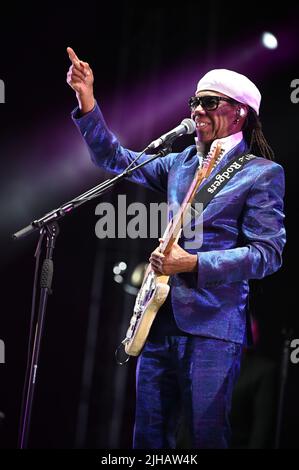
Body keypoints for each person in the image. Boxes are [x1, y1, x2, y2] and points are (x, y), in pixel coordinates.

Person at [66, 47, 286, 449]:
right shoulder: (180, 162)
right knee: (148, 438)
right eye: (194, 101)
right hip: (157, 318)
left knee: (205, 437)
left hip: (213, 327)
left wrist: (192, 262)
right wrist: (87, 100)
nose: (197, 110)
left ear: (238, 113)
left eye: (208, 102)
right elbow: (116, 159)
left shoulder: (261, 173)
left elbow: (267, 254)